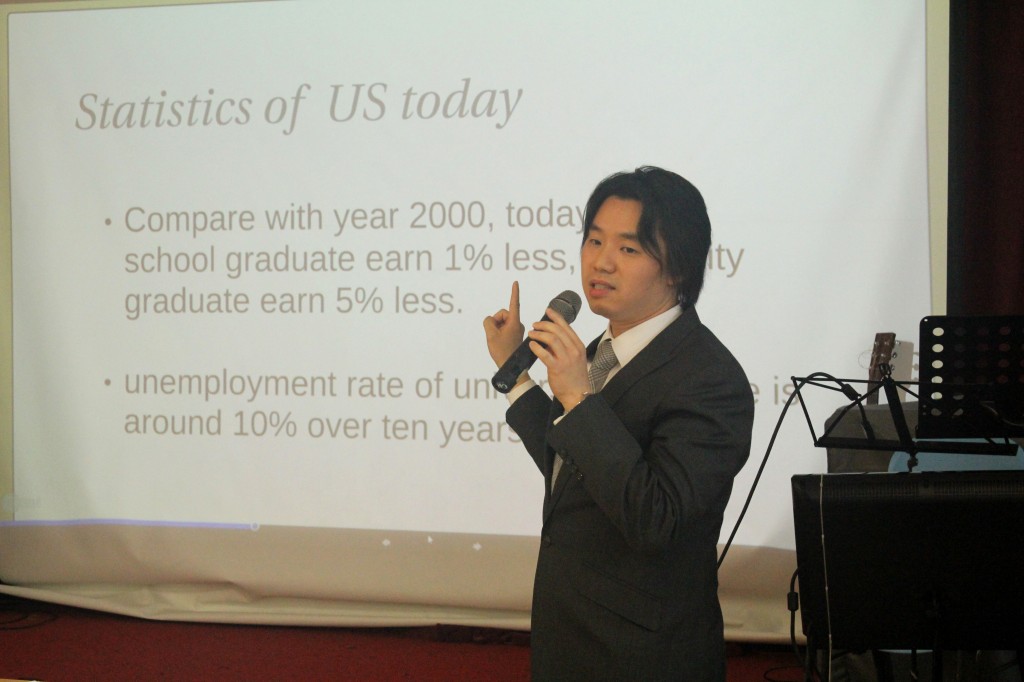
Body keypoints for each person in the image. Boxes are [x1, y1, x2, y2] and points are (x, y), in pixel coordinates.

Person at [483, 166, 754, 681]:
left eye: (628, 248)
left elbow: (655, 520)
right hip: (568, 631)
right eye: (594, 240)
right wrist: (517, 377)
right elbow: (574, 471)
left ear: (678, 268)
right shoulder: (599, 352)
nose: (601, 261)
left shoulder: (710, 378)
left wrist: (578, 397)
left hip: (643, 653)